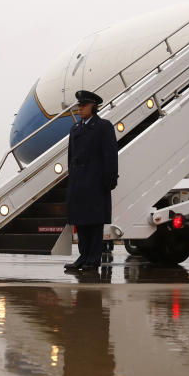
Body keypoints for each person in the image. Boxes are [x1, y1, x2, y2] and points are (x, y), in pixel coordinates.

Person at [64, 90, 118, 271]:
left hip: (95, 182)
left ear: (93, 107)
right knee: (81, 221)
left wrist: (109, 180)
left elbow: (110, 155)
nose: (79, 108)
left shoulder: (103, 126)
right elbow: (71, 158)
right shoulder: (75, 128)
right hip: (79, 183)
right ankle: (83, 255)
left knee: (94, 223)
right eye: (79, 105)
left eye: (83, 105)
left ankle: (93, 259)